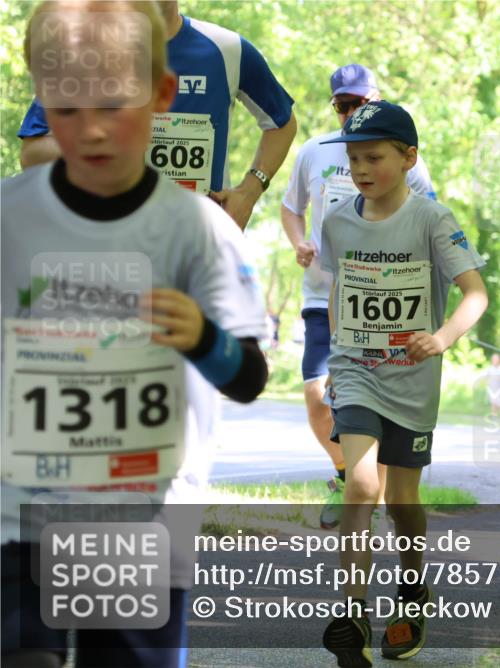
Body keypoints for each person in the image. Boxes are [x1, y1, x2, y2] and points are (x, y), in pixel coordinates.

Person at [1, 3, 268, 666]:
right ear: (41, 99)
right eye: (65, 109)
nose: (90, 130)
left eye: (112, 105)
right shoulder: (10, 218)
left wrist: (205, 337)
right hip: (19, 511)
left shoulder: (198, 229)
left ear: (161, 93)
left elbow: (250, 377)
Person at [317, 101, 487, 666]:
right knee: (362, 484)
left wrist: (441, 339)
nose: (361, 168)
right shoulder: (337, 220)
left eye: (374, 157)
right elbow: (341, 289)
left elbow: (475, 293)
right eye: (353, 158)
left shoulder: (432, 219)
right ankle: (352, 614)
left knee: (404, 500)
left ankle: (411, 593)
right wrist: (339, 354)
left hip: (413, 378)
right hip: (357, 371)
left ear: (409, 158)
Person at [281, 64, 436, 527]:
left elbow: (426, 218)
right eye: (343, 105)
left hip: (383, 303)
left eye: (360, 103)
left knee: (375, 409)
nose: (351, 113)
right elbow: (291, 210)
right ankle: (349, 477)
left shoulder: (407, 158)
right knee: (316, 398)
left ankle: (365, 488)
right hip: (324, 297)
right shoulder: (315, 151)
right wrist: (299, 243)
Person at [17, 0, 297, 231]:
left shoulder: (228, 49)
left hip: (197, 238)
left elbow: (281, 123)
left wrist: (248, 192)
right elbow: (32, 154)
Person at [483, 353, 500, 418]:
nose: (495, 361)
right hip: (491, 388)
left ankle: (496, 413)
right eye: (494, 359)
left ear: (499, 360)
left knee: (499, 403)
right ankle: (494, 415)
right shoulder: (489, 368)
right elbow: (485, 377)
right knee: (493, 401)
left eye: (497, 359)